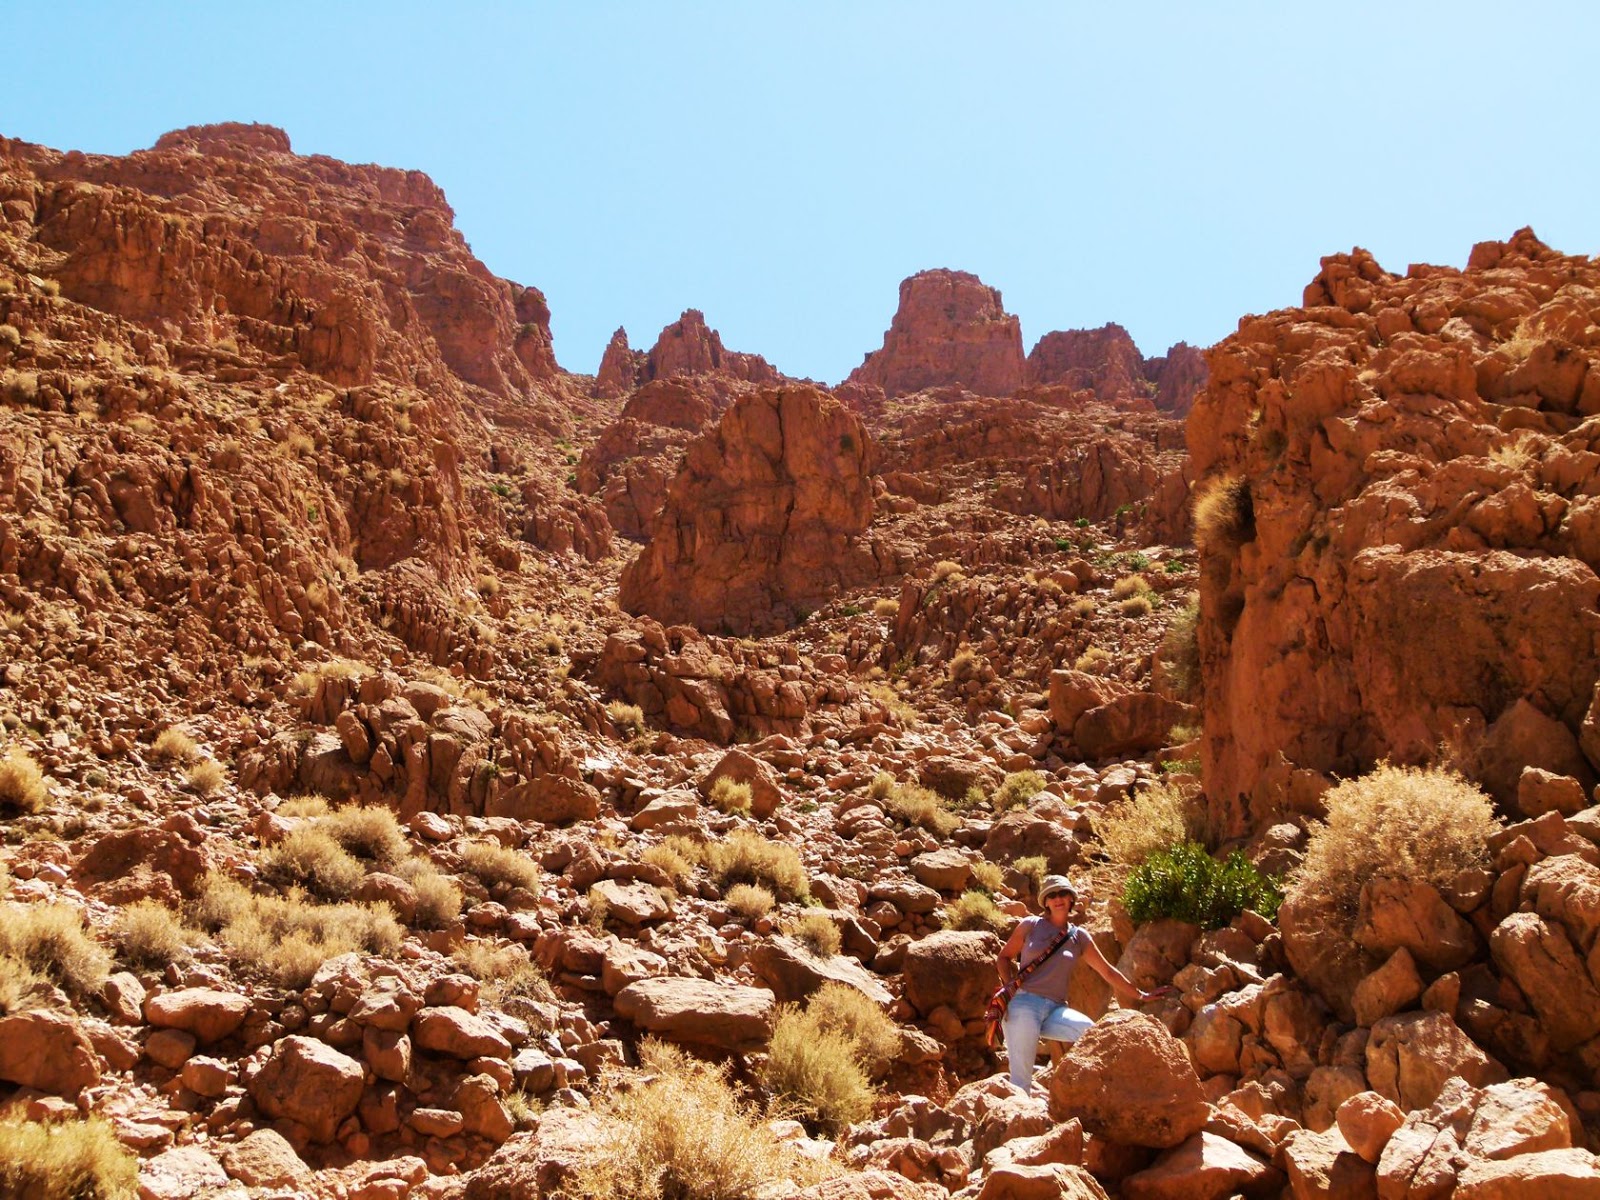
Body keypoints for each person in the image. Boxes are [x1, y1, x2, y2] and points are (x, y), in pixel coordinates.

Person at [995, 874, 1161, 1093]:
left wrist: (1140, 995)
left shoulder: (1078, 937)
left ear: (1071, 898)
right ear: (1045, 902)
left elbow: (1108, 972)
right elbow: (1003, 957)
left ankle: (1094, 1091)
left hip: (1055, 1008)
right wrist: (1009, 991)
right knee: (1021, 1082)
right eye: (1051, 895)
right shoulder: (1030, 925)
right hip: (1024, 1004)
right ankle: (1016, 1122)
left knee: (1091, 1033)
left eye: (1062, 893)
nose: (1058, 898)